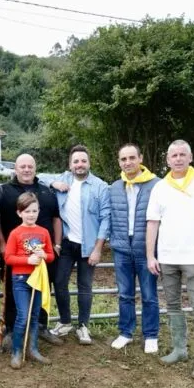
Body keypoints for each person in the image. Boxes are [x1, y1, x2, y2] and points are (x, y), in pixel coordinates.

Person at [146, 140, 194, 380]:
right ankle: (179, 350)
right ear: (167, 160)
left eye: (182, 154)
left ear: (190, 158)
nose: (178, 159)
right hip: (168, 257)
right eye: (173, 155)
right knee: (172, 305)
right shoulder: (160, 187)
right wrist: (151, 255)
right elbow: (153, 222)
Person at [0, 154, 63, 349]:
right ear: (15, 169)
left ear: (35, 168)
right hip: (15, 255)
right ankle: (10, 328)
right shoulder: (4, 192)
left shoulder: (46, 192)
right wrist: (1, 245)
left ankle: (41, 327)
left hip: (43, 256)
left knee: (42, 288)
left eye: (30, 166)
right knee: (12, 290)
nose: (26, 170)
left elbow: (56, 218)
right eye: (22, 166)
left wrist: (57, 245)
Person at [48, 145, 110, 345]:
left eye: (83, 161)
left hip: (88, 246)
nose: (80, 164)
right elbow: (39, 177)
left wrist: (98, 249)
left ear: (89, 163)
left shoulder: (100, 186)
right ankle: (65, 321)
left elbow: (105, 219)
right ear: (70, 165)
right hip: (66, 244)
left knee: (85, 286)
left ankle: (83, 326)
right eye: (76, 161)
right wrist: (54, 182)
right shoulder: (64, 179)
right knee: (59, 282)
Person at [108, 143, 161, 353]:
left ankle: (151, 335)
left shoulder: (156, 185)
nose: (128, 162)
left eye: (132, 158)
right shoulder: (114, 187)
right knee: (125, 294)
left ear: (140, 158)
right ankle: (126, 332)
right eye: (123, 159)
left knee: (149, 294)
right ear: (119, 162)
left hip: (145, 248)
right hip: (121, 248)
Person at [3, 192, 55, 368]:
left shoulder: (44, 232)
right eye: (27, 211)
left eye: (34, 211)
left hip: (38, 278)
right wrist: (27, 260)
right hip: (20, 278)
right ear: (19, 213)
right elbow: (8, 258)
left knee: (34, 316)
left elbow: (51, 256)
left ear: (38, 211)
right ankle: (17, 351)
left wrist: (44, 255)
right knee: (23, 316)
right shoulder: (15, 233)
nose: (31, 214)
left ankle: (32, 349)